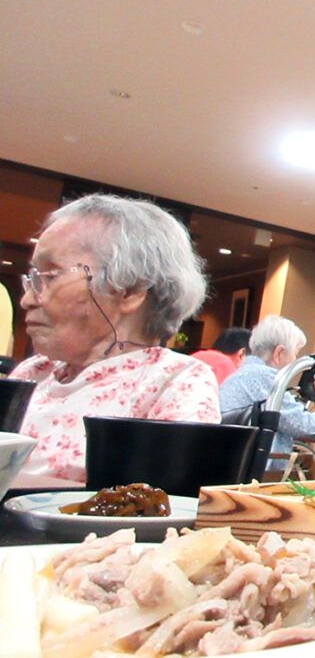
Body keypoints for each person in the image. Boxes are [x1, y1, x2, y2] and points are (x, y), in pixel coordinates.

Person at [10, 194, 220, 482]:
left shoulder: (173, 381)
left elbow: (162, 507)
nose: (26, 300)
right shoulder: (33, 372)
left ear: (129, 290)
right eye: (33, 278)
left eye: (50, 275)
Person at [220, 315, 315, 470]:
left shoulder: (239, 375)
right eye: (295, 354)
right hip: (254, 472)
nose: (294, 360)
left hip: (229, 463)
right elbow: (302, 424)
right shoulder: (267, 379)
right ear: (279, 353)